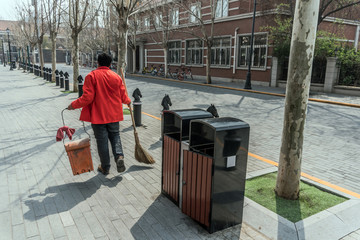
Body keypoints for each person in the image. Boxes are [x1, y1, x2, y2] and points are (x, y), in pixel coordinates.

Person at [67, 53, 131, 175]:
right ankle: (119, 157)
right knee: (115, 136)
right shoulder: (116, 77)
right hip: (114, 115)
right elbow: (123, 96)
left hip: (99, 116)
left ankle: (105, 167)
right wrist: (128, 101)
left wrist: (73, 105)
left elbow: (87, 98)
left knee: (102, 142)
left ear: (98, 63)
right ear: (110, 64)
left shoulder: (92, 76)